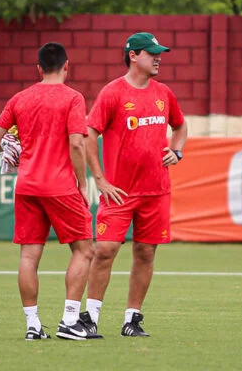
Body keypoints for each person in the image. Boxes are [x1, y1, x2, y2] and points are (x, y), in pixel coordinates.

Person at [0, 42, 100, 341]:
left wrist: (13, 151)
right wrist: (82, 182)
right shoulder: (73, 97)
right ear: (67, 65)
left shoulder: (21, 98)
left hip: (27, 185)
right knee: (85, 250)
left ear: (39, 68)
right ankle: (69, 321)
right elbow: (77, 143)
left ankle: (33, 326)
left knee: (29, 256)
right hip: (60, 185)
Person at [84, 32, 188, 337]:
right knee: (105, 249)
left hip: (156, 190)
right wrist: (100, 179)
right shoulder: (113, 92)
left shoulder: (164, 93)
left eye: (159, 53)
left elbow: (180, 126)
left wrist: (177, 150)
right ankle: (89, 318)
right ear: (133, 55)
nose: (158, 58)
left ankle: (132, 319)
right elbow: (90, 134)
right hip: (120, 191)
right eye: (151, 53)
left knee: (146, 253)